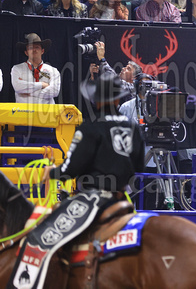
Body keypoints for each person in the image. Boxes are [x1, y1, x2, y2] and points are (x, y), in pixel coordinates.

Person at [9, 72, 145, 289]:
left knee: (40, 237)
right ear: (117, 99)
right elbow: (139, 167)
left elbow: (70, 169)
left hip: (94, 199)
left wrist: (52, 172)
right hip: (123, 198)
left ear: (97, 101)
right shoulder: (134, 128)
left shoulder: (90, 128)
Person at [11, 33, 61, 104]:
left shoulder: (53, 70)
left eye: (37, 47)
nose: (34, 50)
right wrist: (42, 85)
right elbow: (18, 87)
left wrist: (30, 92)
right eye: (30, 48)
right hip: (23, 112)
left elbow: (54, 91)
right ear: (26, 53)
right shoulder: (17, 69)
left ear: (42, 51)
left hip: (46, 112)